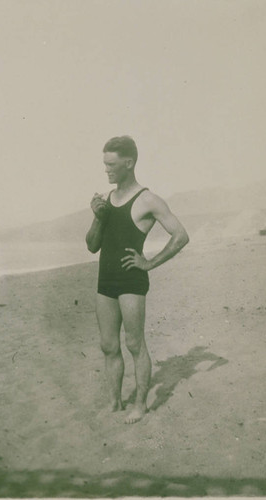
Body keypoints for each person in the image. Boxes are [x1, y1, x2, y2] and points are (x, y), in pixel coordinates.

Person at [86, 136, 189, 424]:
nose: (106, 170)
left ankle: (141, 404)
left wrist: (149, 263)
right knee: (108, 345)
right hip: (105, 282)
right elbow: (92, 246)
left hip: (131, 282)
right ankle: (115, 401)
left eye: (111, 164)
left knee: (134, 343)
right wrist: (97, 218)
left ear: (128, 163)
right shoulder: (105, 201)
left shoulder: (148, 200)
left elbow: (181, 236)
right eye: (104, 164)